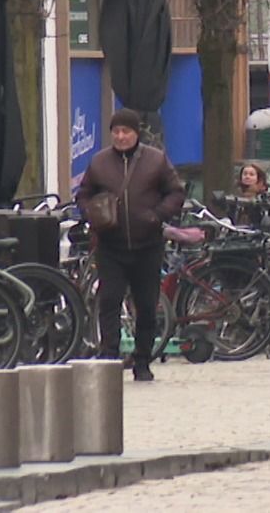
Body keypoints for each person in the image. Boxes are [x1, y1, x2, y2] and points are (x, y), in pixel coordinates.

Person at [75, 108, 187, 381]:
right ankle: (109, 357)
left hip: (147, 244)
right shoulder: (99, 162)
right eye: (116, 132)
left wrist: (157, 215)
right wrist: (91, 213)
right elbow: (84, 194)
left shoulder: (156, 160)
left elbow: (176, 192)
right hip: (110, 244)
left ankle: (142, 359)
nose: (121, 136)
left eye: (126, 131)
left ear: (136, 133)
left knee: (146, 305)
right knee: (110, 300)